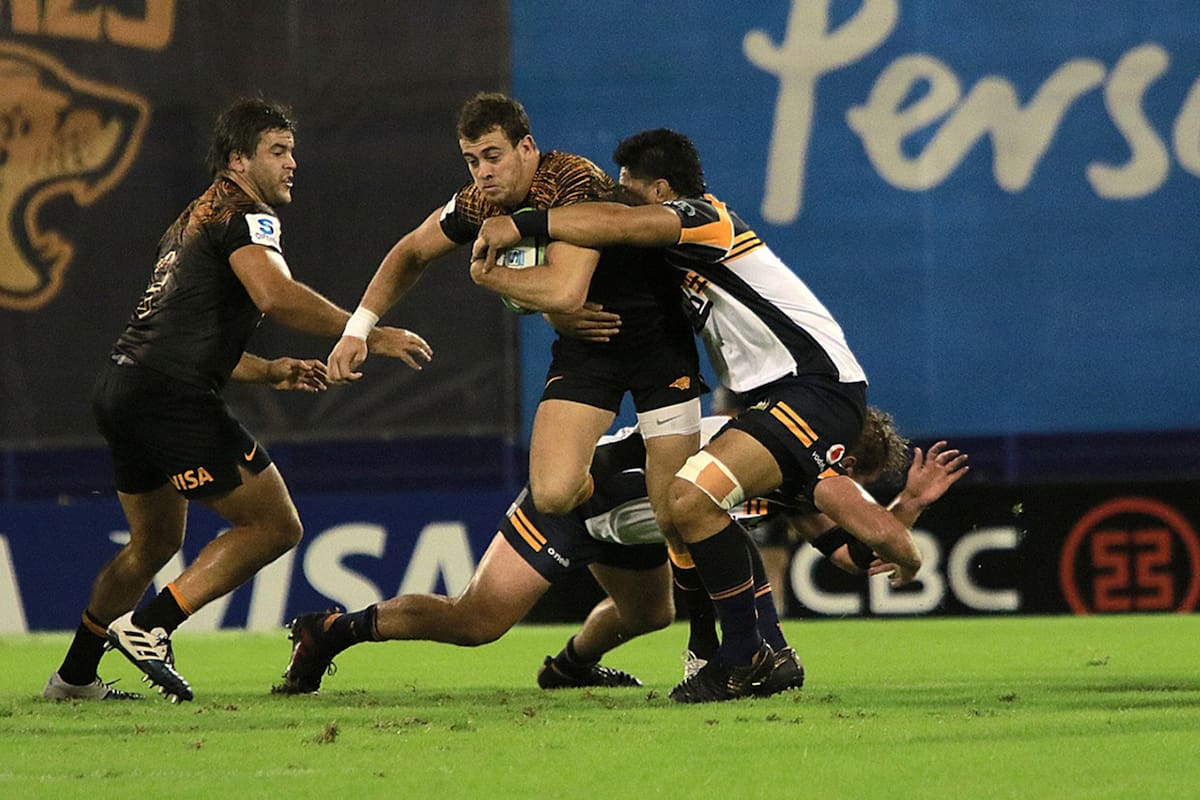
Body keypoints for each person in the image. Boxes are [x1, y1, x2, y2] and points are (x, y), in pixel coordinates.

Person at [473, 128, 925, 702]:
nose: (617, 196)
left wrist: (527, 223)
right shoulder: (670, 255)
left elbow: (619, 224)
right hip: (782, 398)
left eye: (628, 187)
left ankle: (742, 656)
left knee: (689, 499)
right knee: (689, 504)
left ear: (661, 189)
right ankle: (749, 657)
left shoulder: (704, 218)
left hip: (815, 386)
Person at [42, 98, 432, 703]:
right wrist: (366, 332)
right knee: (274, 524)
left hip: (124, 388)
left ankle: (73, 678)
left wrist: (271, 370)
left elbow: (180, 333)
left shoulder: (188, 220)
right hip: (170, 397)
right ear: (238, 160)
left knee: (154, 544)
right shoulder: (247, 215)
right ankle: (150, 627)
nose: (292, 163)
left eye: (292, 150)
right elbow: (275, 296)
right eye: (278, 151)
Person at [272, 411, 965, 697]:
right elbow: (682, 514)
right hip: (583, 497)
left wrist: (908, 509)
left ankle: (569, 668)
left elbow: (848, 555)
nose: (843, 492)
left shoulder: (795, 473)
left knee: (646, 614)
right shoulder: (765, 448)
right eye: (852, 482)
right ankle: (330, 631)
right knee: (476, 622)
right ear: (838, 457)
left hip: (639, 525)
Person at [327, 92, 702, 566]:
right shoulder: (478, 201)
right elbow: (410, 252)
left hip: (656, 341)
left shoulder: (572, 180)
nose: (483, 172)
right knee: (553, 495)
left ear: (527, 147)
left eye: (492, 156)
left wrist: (491, 277)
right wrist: (357, 329)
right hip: (588, 345)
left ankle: (720, 637)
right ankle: (610, 473)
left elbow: (565, 292)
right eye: (471, 160)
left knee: (677, 519)